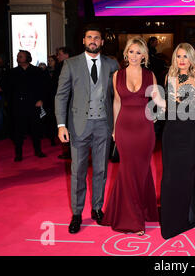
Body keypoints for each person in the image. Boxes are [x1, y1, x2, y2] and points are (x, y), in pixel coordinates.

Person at [55, 25, 119, 234]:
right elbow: (61, 95)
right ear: (83, 40)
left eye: (97, 37)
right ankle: (76, 213)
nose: (93, 40)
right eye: (89, 37)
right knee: (78, 171)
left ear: (102, 42)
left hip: (103, 124)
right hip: (78, 125)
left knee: (101, 170)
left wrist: (119, 124)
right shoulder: (71, 64)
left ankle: (97, 208)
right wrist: (61, 124)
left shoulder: (112, 64)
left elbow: (119, 96)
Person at [101, 36, 159, 236]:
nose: (134, 56)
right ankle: (133, 220)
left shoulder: (150, 75)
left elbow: (157, 100)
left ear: (144, 55)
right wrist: (115, 129)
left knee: (141, 170)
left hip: (144, 128)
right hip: (124, 127)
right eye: (131, 51)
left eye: (138, 52)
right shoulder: (118, 75)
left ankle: (143, 209)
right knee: (127, 170)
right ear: (126, 53)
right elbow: (117, 102)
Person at [160, 43, 195, 239]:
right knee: (170, 176)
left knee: (185, 176)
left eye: (185, 56)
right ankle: (172, 217)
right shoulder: (169, 78)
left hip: (190, 133)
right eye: (178, 56)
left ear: (191, 59)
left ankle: (186, 217)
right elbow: (167, 109)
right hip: (171, 132)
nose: (181, 60)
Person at [6, 50, 48, 162]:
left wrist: (41, 100)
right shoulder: (12, 72)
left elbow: (43, 87)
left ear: (27, 58)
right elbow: (9, 90)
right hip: (18, 105)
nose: (18, 58)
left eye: (21, 56)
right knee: (18, 131)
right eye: (18, 56)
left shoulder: (37, 71)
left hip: (34, 104)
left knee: (36, 129)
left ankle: (38, 150)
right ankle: (18, 154)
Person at [54, 47, 72, 159]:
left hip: (70, 101)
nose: (57, 56)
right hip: (62, 100)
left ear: (67, 55)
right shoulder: (59, 66)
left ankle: (70, 151)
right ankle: (69, 150)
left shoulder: (70, 66)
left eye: (59, 54)